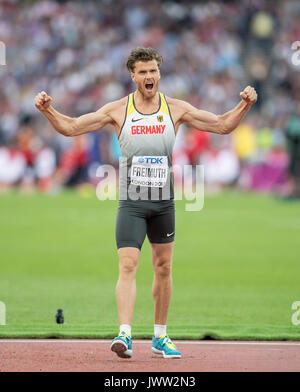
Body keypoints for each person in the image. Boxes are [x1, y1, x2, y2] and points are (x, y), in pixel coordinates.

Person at [34, 47, 257, 359]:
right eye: (142, 72)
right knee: (128, 265)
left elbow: (221, 124)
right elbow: (72, 127)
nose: (149, 76)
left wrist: (244, 105)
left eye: (153, 70)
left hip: (163, 202)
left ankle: (160, 336)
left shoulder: (175, 108)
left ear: (159, 73)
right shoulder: (118, 110)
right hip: (132, 202)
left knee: (163, 268)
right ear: (133, 76)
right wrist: (47, 111)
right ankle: (124, 334)